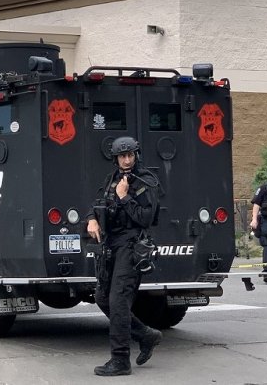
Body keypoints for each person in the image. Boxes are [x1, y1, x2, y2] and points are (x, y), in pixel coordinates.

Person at [85, 136, 162, 376]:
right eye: (122, 156)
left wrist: (125, 197)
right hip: (111, 245)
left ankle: (120, 360)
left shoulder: (146, 181)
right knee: (102, 296)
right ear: (116, 158)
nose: (127, 160)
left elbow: (146, 218)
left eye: (130, 155)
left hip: (131, 245)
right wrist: (91, 219)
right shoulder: (113, 179)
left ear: (136, 155)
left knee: (118, 300)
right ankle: (145, 335)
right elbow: (98, 202)